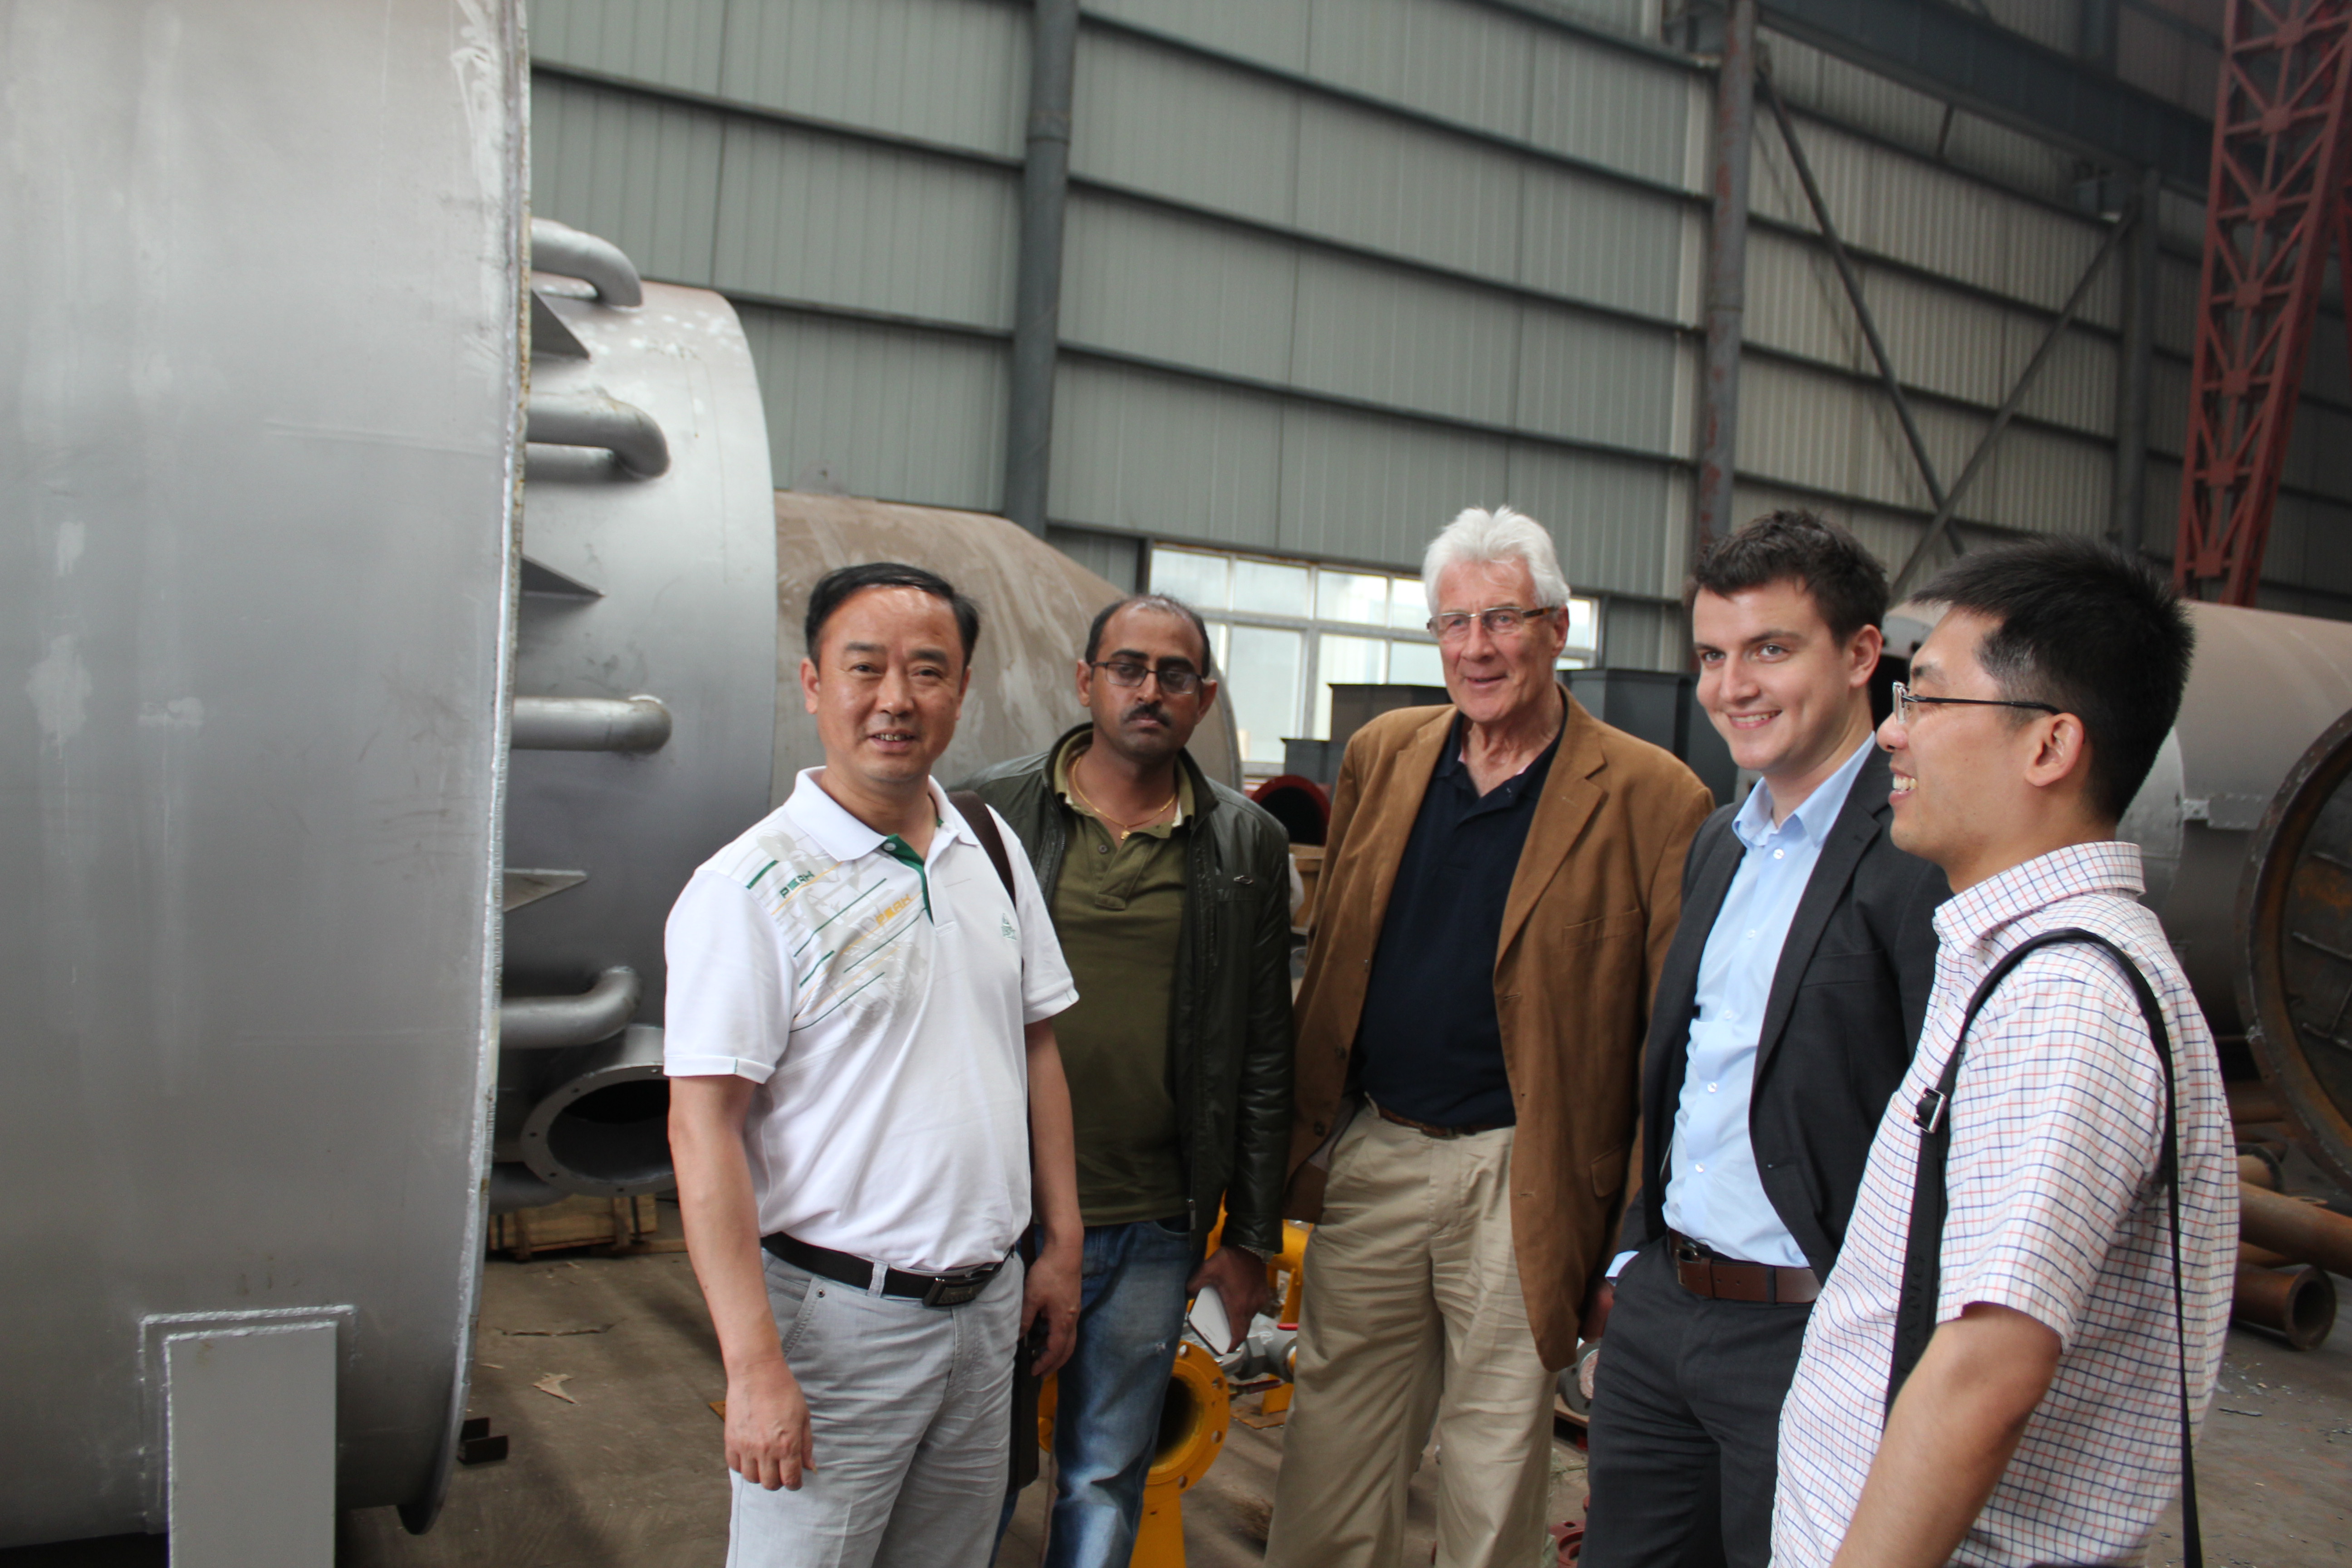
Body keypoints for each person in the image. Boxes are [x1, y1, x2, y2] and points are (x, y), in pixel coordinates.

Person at [1264, 505, 1715, 1568]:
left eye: (1503, 619)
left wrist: (1632, 1234)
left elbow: (1670, 1044)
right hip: (1378, 1152)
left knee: (1494, 1468)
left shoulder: (1654, 796)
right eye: (1454, 622)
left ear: (1558, 628)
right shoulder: (1384, 755)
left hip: (1530, 1175)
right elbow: (1337, 956)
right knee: (1331, 1458)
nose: (1476, 648)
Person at [1772, 538, 2234, 1568]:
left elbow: (1985, 1376)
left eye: (1929, 699)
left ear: (2050, 746)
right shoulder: (2014, 959)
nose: (1892, 731)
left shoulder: (2062, 1000)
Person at [662, 561, 1085, 1568]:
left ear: (961, 690)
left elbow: (1036, 1043)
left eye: (928, 671)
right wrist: (754, 1366)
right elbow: (701, 1127)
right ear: (814, 685)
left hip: (987, 1315)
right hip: (838, 1328)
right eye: (865, 669)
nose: (896, 699)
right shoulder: (750, 887)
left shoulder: (988, 845)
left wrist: (1061, 1243)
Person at [1580, 511, 1946, 1568]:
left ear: (1863, 655)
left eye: (1770, 650)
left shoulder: (1920, 854)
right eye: (1712, 656)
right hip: (1666, 1311)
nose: (1732, 686)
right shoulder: (1720, 843)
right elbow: (1689, 1069)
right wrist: (1636, 1259)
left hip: (1811, 1331)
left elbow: (1944, 1131)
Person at [963, 592, 1294, 1568]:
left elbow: (1264, 1053)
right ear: (1086, 681)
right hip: (1001, 1217)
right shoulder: (990, 813)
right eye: (1128, 668)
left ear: (1204, 698)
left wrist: (1253, 1237)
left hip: (1156, 1219)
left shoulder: (1245, 843)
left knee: (1106, 1473)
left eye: (1175, 675)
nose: (1150, 690)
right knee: (977, 1474)